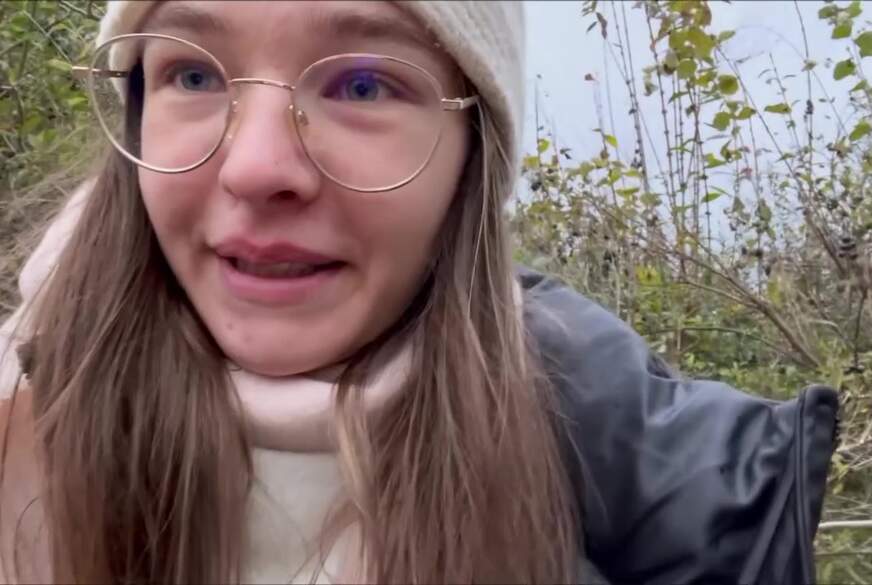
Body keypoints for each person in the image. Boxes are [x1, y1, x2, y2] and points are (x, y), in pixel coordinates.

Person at [0, 1, 839, 584]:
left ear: (472, 156)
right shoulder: (18, 427)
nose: (256, 167)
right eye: (192, 74)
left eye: (363, 84)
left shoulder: (667, 521)